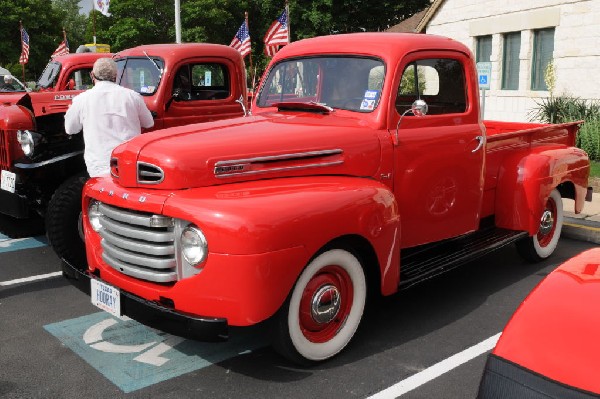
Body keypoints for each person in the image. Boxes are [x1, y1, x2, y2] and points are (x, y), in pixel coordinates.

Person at [64, 58, 154, 177]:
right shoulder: (133, 96)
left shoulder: (81, 99)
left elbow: (70, 129)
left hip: (98, 166)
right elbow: (149, 123)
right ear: (115, 76)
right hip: (129, 162)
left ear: (92, 75)